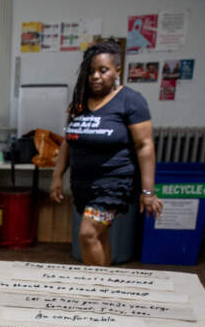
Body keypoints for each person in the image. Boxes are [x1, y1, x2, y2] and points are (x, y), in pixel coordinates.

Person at [51, 39, 163, 266]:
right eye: (91, 71)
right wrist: (56, 176)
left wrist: (148, 191)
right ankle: (107, 284)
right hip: (83, 185)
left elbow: (145, 146)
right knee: (99, 236)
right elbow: (68, 141)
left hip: (114, 184)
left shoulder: (130, 101)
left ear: (117, 70)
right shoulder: (80, 101)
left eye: (103, 70)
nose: (95, 76)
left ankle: (96, 290)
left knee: (88, 233)